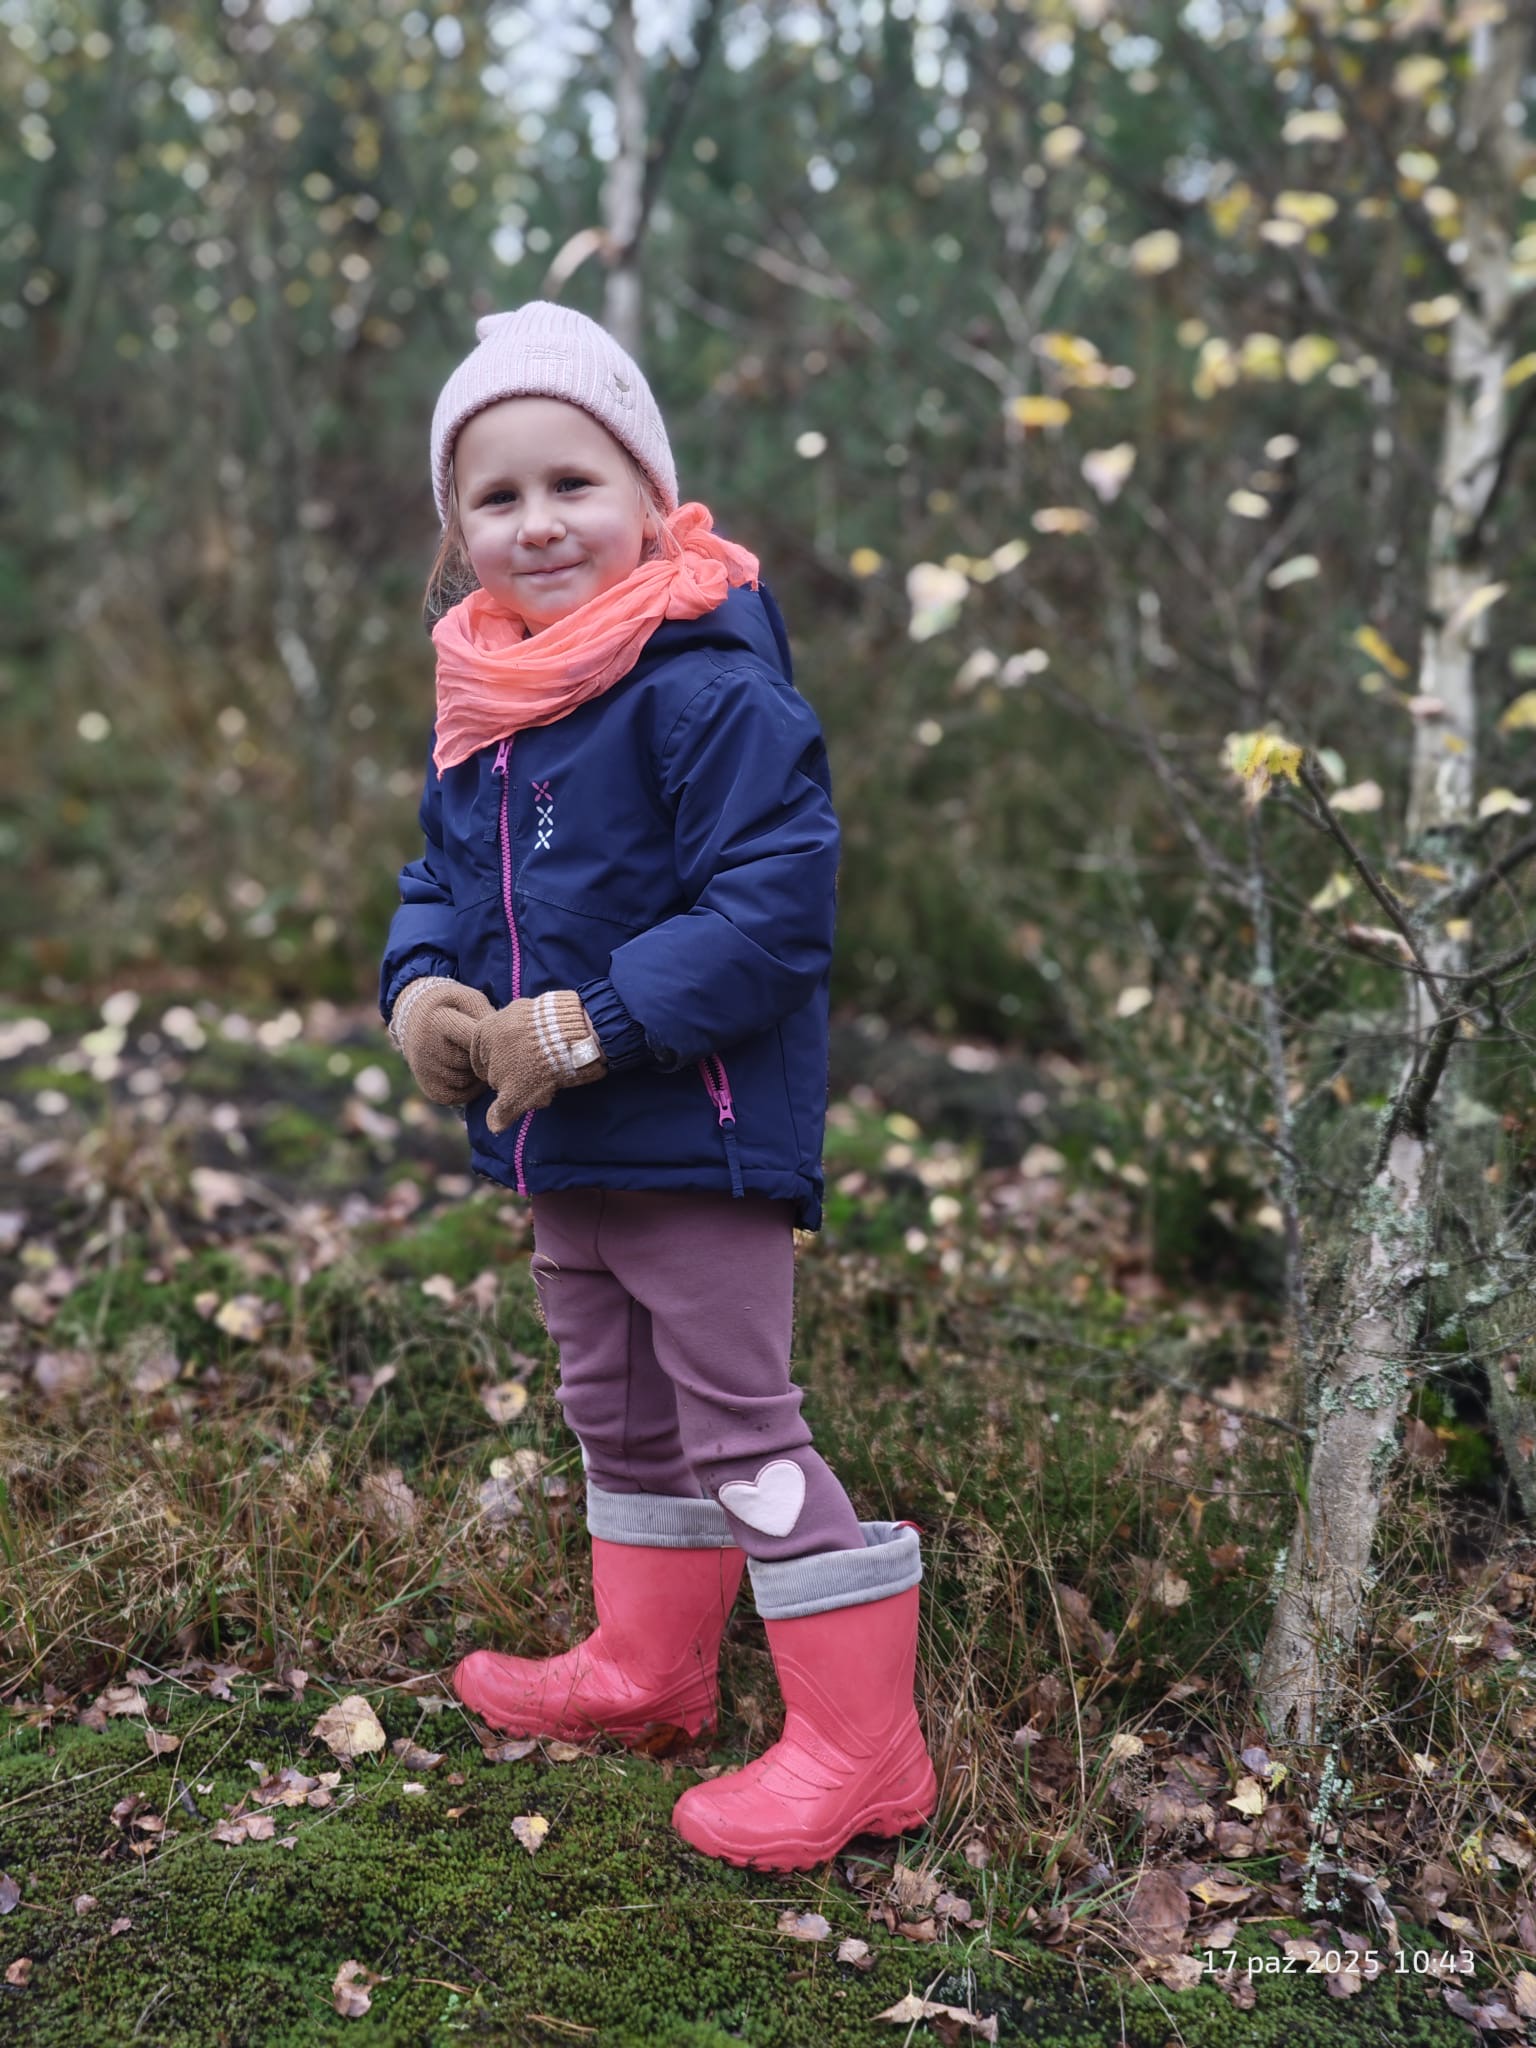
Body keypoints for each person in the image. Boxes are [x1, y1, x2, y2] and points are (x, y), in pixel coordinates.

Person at [379, 301, 937, 1871]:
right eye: (497, 496)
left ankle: (864, 1748)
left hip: (696, 1135)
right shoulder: (491, 706)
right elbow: (438, 885)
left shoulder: (705, 686)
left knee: (739, 1428)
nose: (540, 523)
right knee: (614, 1412)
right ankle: (649, 1671)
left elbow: (774, 913)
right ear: (458, 531)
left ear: (650, 495)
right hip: (564, 1150)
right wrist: (422, 989)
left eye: (575, 483)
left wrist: (588, 1025)